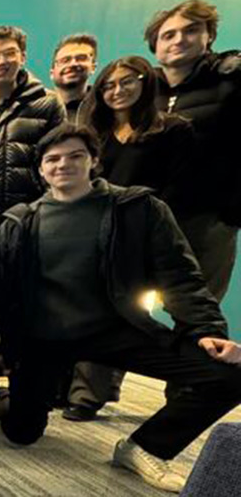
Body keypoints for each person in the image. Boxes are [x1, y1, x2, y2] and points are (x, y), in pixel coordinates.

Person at [0, 124, 241, 493]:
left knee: (228, 375)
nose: (64, 164)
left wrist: (206, 329)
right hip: (46, 336)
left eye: (76, 156)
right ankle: (14, 399)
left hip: (117, 328)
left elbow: (178, 275)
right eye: (53, 159)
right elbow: (8, 292)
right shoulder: (20, 221)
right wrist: (9, 351)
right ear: (41, 170)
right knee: (21, 432)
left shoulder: (136, 208)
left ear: (94, 160)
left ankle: (143, 447)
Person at [64, 56, 198, 421]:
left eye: (127, 82)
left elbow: (178, 188)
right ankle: (86, 392)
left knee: (130, 311)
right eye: (109, 85)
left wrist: (152, 229)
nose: (117, 91)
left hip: (145, 232)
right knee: (94, 308)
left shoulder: (171, 130)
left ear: (146, 83)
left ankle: (108, 390)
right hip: (99, 229)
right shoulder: (97, 134)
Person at [147, 0, 240, 303]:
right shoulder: (143, 91)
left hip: (207, 217)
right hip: (148, 216)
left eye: (190, 30)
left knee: (199, 309)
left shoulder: (231, 80)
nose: (179, 40)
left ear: (208, 35)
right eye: (168, 34)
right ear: (155, 45)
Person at [0, 25, 66, 228]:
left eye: (10, 54)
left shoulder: (48, 103)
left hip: (29, 219)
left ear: (22, 58)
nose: (1, 62)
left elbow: (58, 160)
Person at [50, 33, 98, 117]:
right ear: (52, 73)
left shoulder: (106, 107)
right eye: (65, 60)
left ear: (93, 67)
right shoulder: (36, 108)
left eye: (81, 58)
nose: (73, 64)